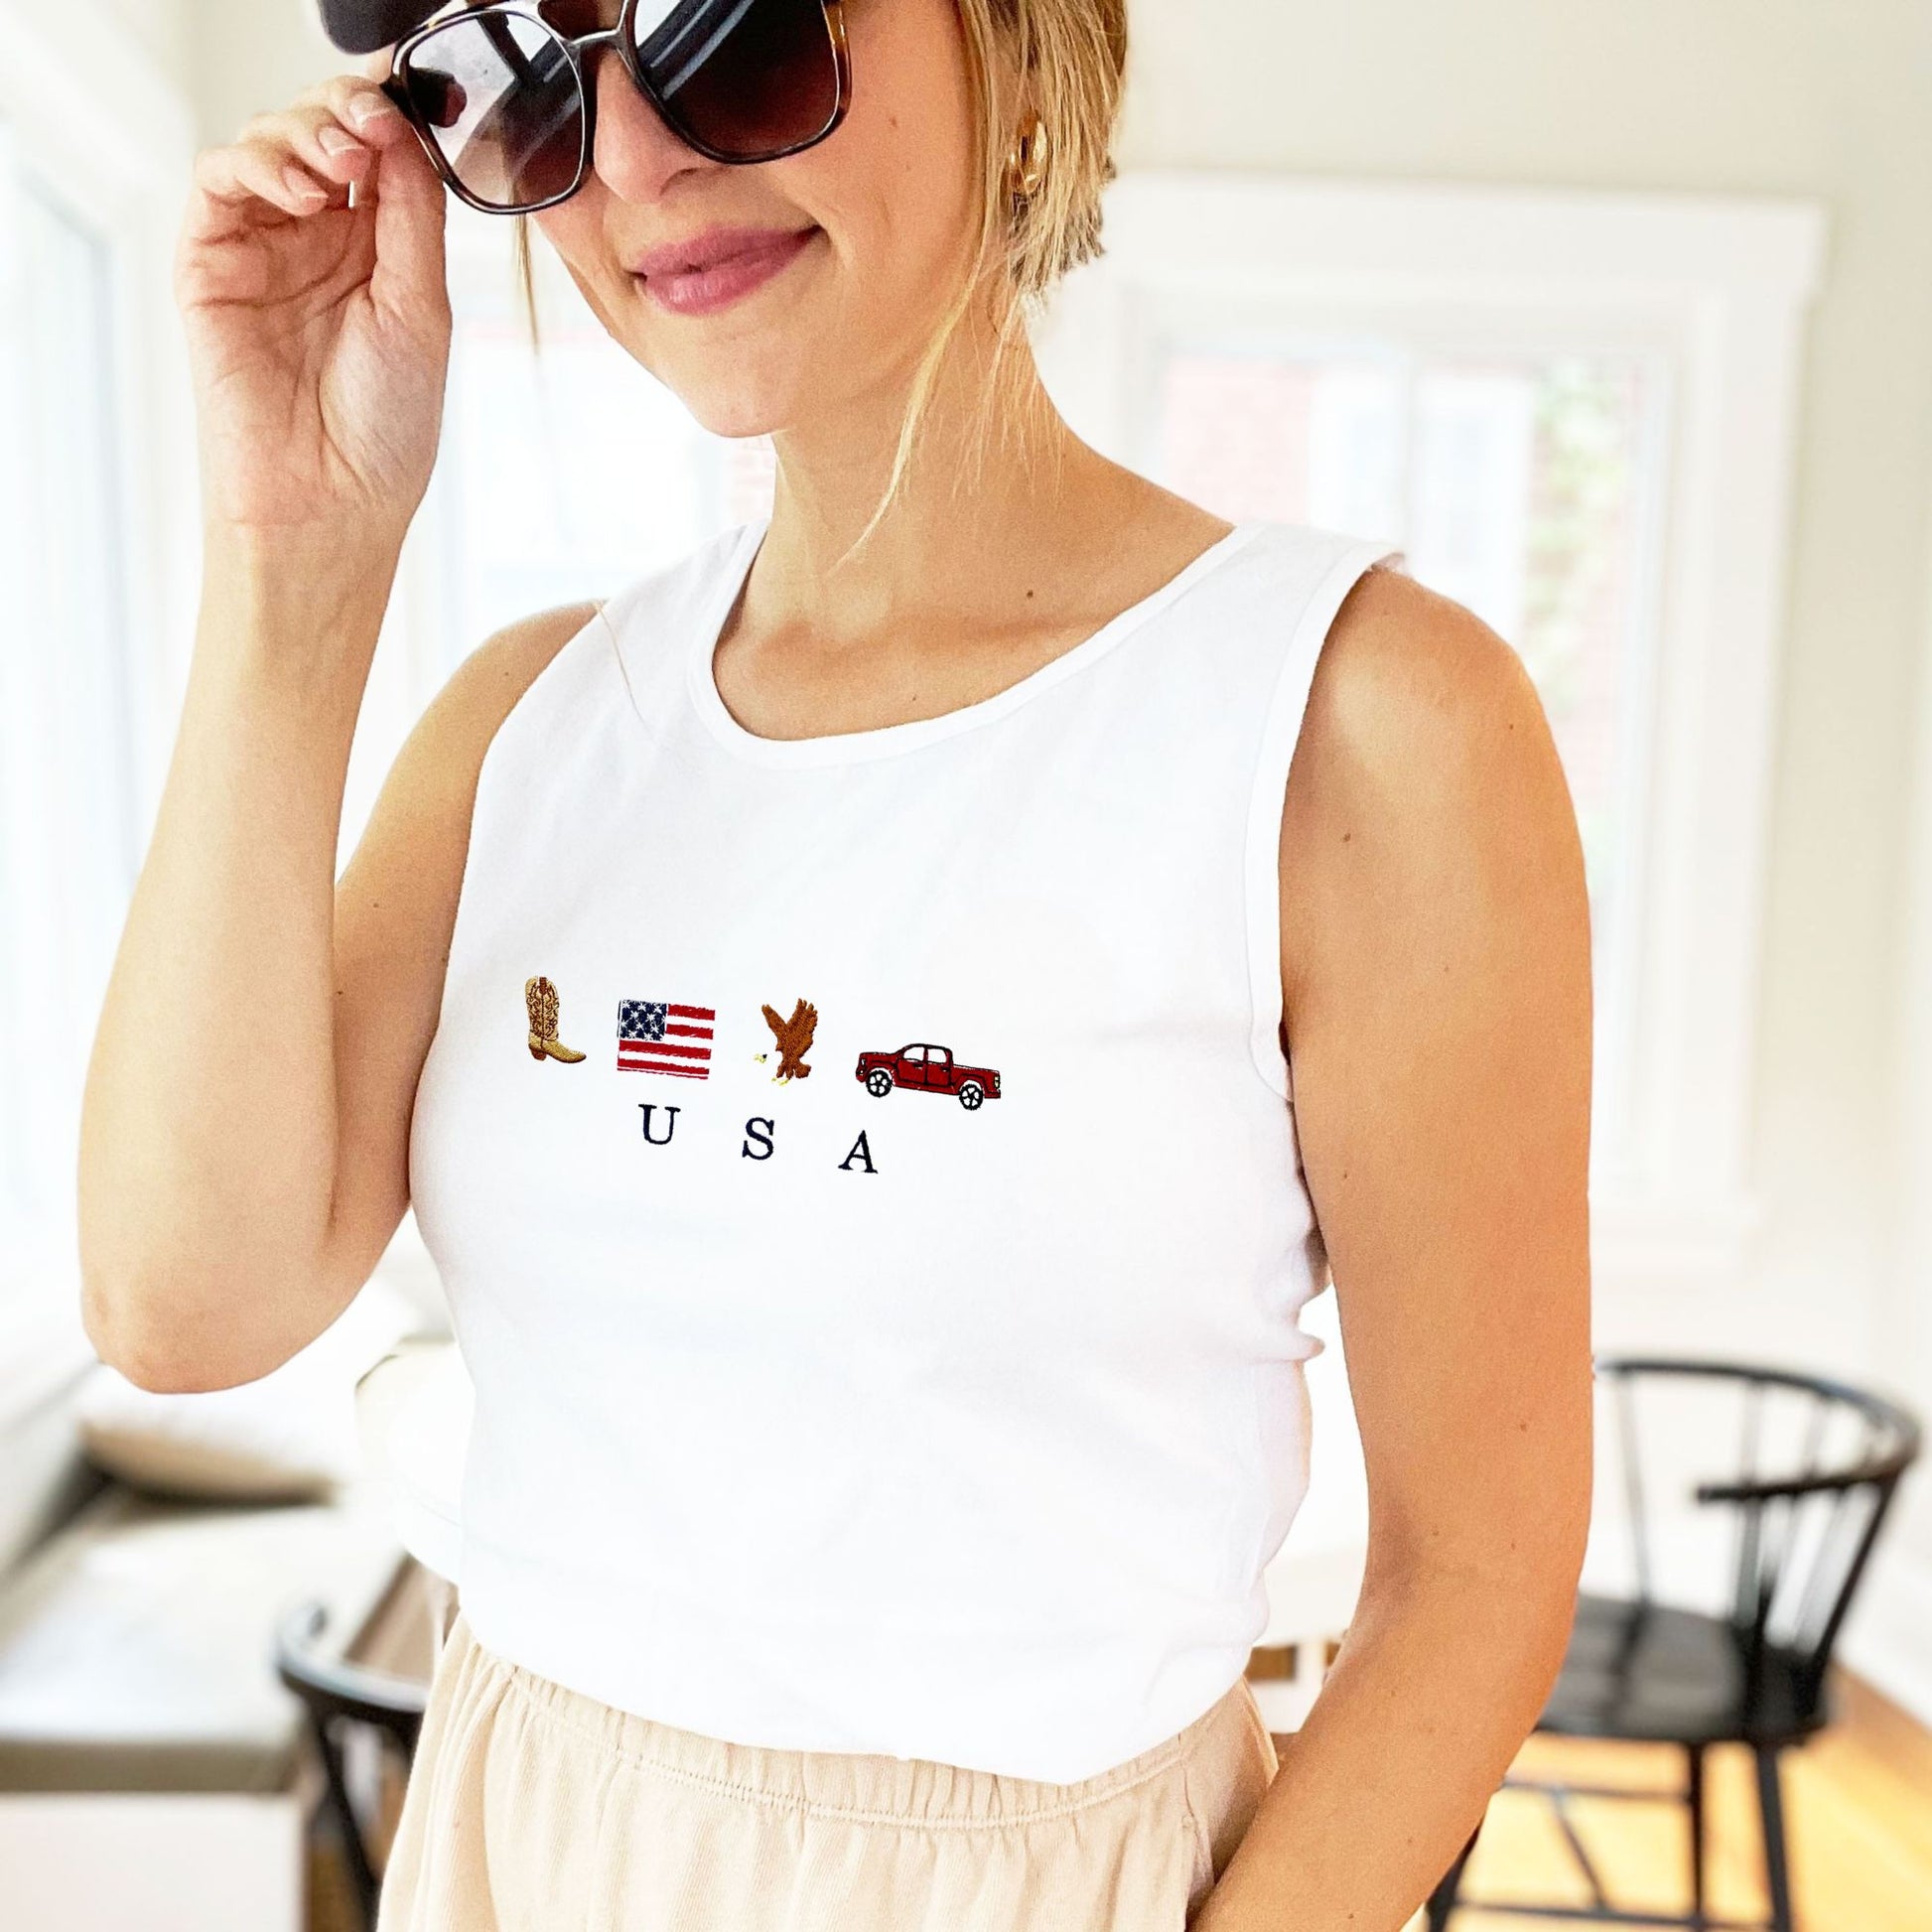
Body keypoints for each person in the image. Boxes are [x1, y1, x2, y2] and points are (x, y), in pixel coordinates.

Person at [76, 2, 1595, 1926]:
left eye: (731, 33)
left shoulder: (1355, 717)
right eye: (540, 78)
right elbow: (178, 1302)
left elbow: (1474, 1572)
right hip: (516, 1841)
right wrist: (296, 561)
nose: (634, 165)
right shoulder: (526, 724)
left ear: (1020, 47)